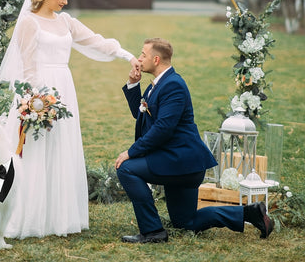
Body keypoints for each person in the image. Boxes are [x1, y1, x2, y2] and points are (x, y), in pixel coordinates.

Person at [0, 0, 140, 238]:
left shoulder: (66, 23)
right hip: (38, 94)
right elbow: (27, 65)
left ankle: (58, 217)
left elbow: (96, 41)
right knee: (37, 151)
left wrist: (126, 55)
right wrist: (35, 101)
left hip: (64, 87)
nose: (65, 1)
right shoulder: (29, 23)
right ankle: (30, 217)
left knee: (61, 148)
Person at [115, 37, 274, 243]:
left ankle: (152, 231)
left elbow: (163, 129)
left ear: (156, 59)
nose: (138, 59)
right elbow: (142, 116)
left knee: (126, 168)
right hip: (179, 163)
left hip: (181, 162)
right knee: (186, 221)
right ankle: (250, 214)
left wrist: (130, 152)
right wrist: (133, 85)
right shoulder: (157, 84)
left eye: (143, 55)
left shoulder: (173, 85)